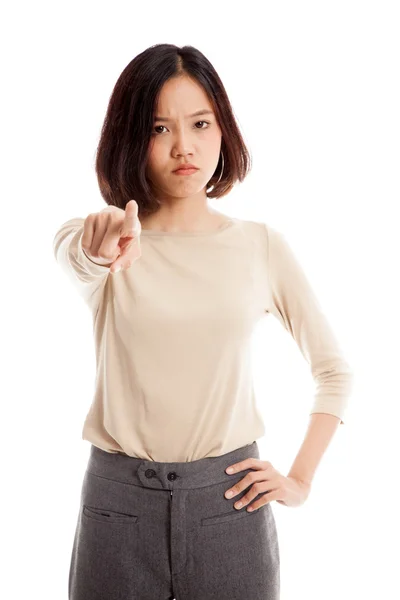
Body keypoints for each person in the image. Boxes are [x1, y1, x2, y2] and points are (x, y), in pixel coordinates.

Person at [53, 44, 353, 600]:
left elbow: (334, 371)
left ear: (224, 130)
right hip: (119, 508)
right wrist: (98, 249)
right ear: (129, 138)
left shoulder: (259, 246)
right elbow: (78, 258)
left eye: (199, 123)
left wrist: (299, 481)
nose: (183, 146)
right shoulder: (106, 238)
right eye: (159, 128)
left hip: (231, 504)